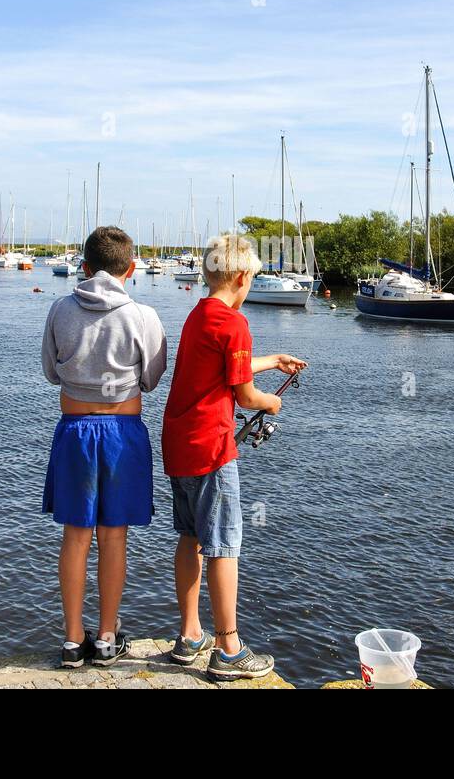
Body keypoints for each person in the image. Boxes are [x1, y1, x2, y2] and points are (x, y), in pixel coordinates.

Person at [161, 233, 307, 681]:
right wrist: (271, 403)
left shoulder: (198, 316)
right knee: (224, 546)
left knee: (190, 537)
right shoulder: (235, 323)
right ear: (243, 277)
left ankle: (189, 637)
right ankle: (229, 649)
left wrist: (271, 360)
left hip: (179, 443)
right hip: (212, 448)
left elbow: (224, 368)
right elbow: (244, 396)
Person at [41, 225, 167, 667]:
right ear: (130, 269)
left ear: (85, 266)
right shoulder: (145, 317)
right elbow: (151, 380)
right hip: (122, 434)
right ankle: (109, 636)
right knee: (114, 538)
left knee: (75, 536)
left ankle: (74, 640)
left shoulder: (59, 309)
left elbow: (51, 372)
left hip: (74, 429)